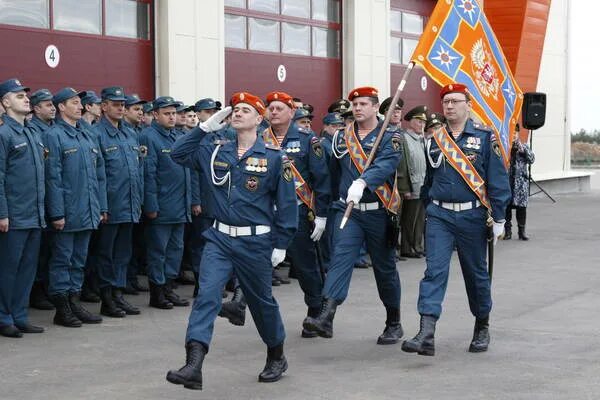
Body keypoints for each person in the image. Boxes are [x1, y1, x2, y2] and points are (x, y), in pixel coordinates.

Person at [166, 92, 297, 389]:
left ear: (258, 119)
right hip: (219, 238)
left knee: (262, 303)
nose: (237, 113)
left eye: (245, 110)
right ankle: (194, 365)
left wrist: (281, 244)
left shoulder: (275, 159)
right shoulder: (215, 151)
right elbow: (177, 155)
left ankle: (276, 353)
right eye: (234, 109)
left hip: (255, 243)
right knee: (207, 296)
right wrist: (203, 129)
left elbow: (287, 205)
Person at [401, 83, 511, 356]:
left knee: (476, 275)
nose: (449, 106)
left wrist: (499, 218)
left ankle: (481, 325)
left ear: (468, 104)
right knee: (434, 271)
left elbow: (497, 180)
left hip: (472, 216)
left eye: (455, 101)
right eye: (446, 101)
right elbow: (429, 179)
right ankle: (426, 331)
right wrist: (429, 206)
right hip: (439, 215)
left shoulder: (486, 138)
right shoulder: (435, 139)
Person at [303, 86, 404, 345]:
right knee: (340, 259)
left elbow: (386, 164)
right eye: (355, 104)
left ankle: (393, 322)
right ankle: (327, 314)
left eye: (363, 104)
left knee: (384, 269)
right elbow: (332, 175)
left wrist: (363, 182)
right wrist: (325, 210)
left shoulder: (389, 135)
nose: (357, 108)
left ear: (374, 106)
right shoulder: (341, 137)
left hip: (379, 211)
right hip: (348, 211)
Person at [44, 87, 108, 327]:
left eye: (80, 103)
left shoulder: (87, 135)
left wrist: (101, 206)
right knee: (62, 259)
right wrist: (57, 212)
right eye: (73, 103)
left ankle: (74, 301)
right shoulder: (54, 135)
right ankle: (62, 308)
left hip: (88, 209)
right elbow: (53, 178)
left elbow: (99, 174)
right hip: (68, 211)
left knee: (79, 260)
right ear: (61, 107)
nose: (79, 107)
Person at [92, 86, 144, 317]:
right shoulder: (96, 134)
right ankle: (106, 297)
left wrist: (139, 201)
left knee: (123, 253)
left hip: (129, 204)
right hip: (111, 205)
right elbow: (97, 175)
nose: (121, 107)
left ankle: (118, 294)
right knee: (106, 254)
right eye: (115, 104)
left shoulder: (130, 133)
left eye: (123, 104)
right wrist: (102, 206)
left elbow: (138, 171)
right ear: (103, 107)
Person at [0, 79, 46, 337]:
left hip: (34, 215)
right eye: (19, 96)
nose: (26, 99)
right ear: (6, 102)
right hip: (14, 216)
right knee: (8, 269)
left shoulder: (31, 132)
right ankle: (4, 317)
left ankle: (19, 314)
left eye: (26, 96)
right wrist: (2, 212)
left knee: (27, 269)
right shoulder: (3, 133)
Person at [140, 96, 193, 309]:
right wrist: (151, 205)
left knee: (175, 250)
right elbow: (148, 174)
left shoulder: (177, 136)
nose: (172, 117)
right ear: (155, 115)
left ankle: (168, 288)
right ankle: (157, 293)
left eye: (174, 113)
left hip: (179, 205)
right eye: (167, 113)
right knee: (158, 252)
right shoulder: (149, 137)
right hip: (162, 206)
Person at [27, 89, 56, 311]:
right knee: (39, 253)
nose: (53, 107)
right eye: (47, 105)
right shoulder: (34, 131)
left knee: (48, 251)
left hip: (49, 200)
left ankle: (44, 289)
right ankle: (36, 292)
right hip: (38, 201)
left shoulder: (52, 130)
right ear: (36, 109)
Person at [397, 105, 428, 258]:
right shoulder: (405, 139)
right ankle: (407, 247)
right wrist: (406, 188)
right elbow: (405, 165)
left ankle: (417, 246)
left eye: (423, 123)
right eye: (418, 122)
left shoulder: (423, 140)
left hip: (423, 184)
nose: (421, 125)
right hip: (413, 185)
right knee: (409, 220)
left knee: (420, 218)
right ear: (411, 122)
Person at [505, 136, 535, 240]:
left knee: (521, 207)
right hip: (507, 182)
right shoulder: (504, 145)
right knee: (507, 207)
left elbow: (532, 159)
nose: (513, 136)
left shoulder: (524, 146)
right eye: (512, 133)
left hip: (521, 183)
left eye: (515, 133)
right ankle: (507, 231)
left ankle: (521, 232)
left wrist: (523, 149)